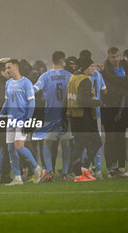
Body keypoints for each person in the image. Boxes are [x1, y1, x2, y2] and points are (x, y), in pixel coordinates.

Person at [0, 59, 42, 186]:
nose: (7, 70)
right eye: (6, 68)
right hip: (10, 121)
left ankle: (36, 168)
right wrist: (0, 114)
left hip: (22, 120)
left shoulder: (26, 83)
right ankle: (17, 178)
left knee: (19, 146)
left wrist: (28, 120)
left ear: (16, 68)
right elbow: (7, 102)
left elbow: (32, 102)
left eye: (9, 67)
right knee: (11, 149)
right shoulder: (8, 83)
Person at [32, 51, 72, 182]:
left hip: (50, 115)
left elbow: (34, 89)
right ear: (63, 61)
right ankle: (65, 173)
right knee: (66, 143)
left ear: (52, 61)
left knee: (46, 142)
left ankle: (49, 171)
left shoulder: (45, 76)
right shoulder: (69, 76)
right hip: (66, 115)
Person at [64, 57, 102, 182]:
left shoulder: (73, 78)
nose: (94, 69)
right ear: (86, 67)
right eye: (92, 66)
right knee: (90, 143)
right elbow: (82, 100)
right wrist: (97, 102)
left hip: (74, 116)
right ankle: (79, 174)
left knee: (83, 144)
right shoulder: (85, 80)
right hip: (84, 117)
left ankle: (83, 170)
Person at [79, 50, 107, 180]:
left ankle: (86, 169)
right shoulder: (97, 73)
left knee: (84, 140)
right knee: (97, 140)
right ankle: (98, 170)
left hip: (83, 112)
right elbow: (104, 90)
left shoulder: (79, 75)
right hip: (96, 112)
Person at [100, 47, 127, 177]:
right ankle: (111, 168)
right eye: (112, 57)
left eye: (117, 56)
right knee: (111, 138)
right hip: (109, 108)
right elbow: (108, 92)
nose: (115, 59)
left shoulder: (124, 68)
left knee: (121, 139)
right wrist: (124, 90)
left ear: (119, 56)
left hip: (123, 108)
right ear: (108, 57)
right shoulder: (105, 71)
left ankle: (121, 167)